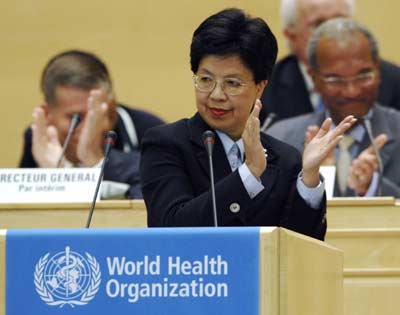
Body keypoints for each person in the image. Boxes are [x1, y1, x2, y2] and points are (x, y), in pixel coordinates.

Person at [140, 8, 356, 240]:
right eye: (205, 80)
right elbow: (170, 228)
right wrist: (248, 174)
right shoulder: (166, 144)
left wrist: (310, 179)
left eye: (232, 83)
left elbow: (301, 249)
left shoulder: (285, 159)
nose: (216, 94)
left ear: (260, 87)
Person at [268, 18, 400, 197]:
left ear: (378, 70)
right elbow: (269, 213)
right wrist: (312, 181)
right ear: (313, 78)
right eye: (335, 79)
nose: (352, 91)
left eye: (364, 75)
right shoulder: (281, 139)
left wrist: (373, 186)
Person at [19, 50, 164, 199]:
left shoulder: (151, 131)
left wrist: (96, 161)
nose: (90, 128)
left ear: (111, 107)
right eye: (77, 118)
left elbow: (158, 204)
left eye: (99, 113)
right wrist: (59, 179)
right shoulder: (40, 140)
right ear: (47, 114)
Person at [259, 0, 400, 125]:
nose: (332, 33)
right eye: (318, 24)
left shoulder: (394, 81)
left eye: (340, 22)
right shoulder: (263, 89)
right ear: (291, 35)